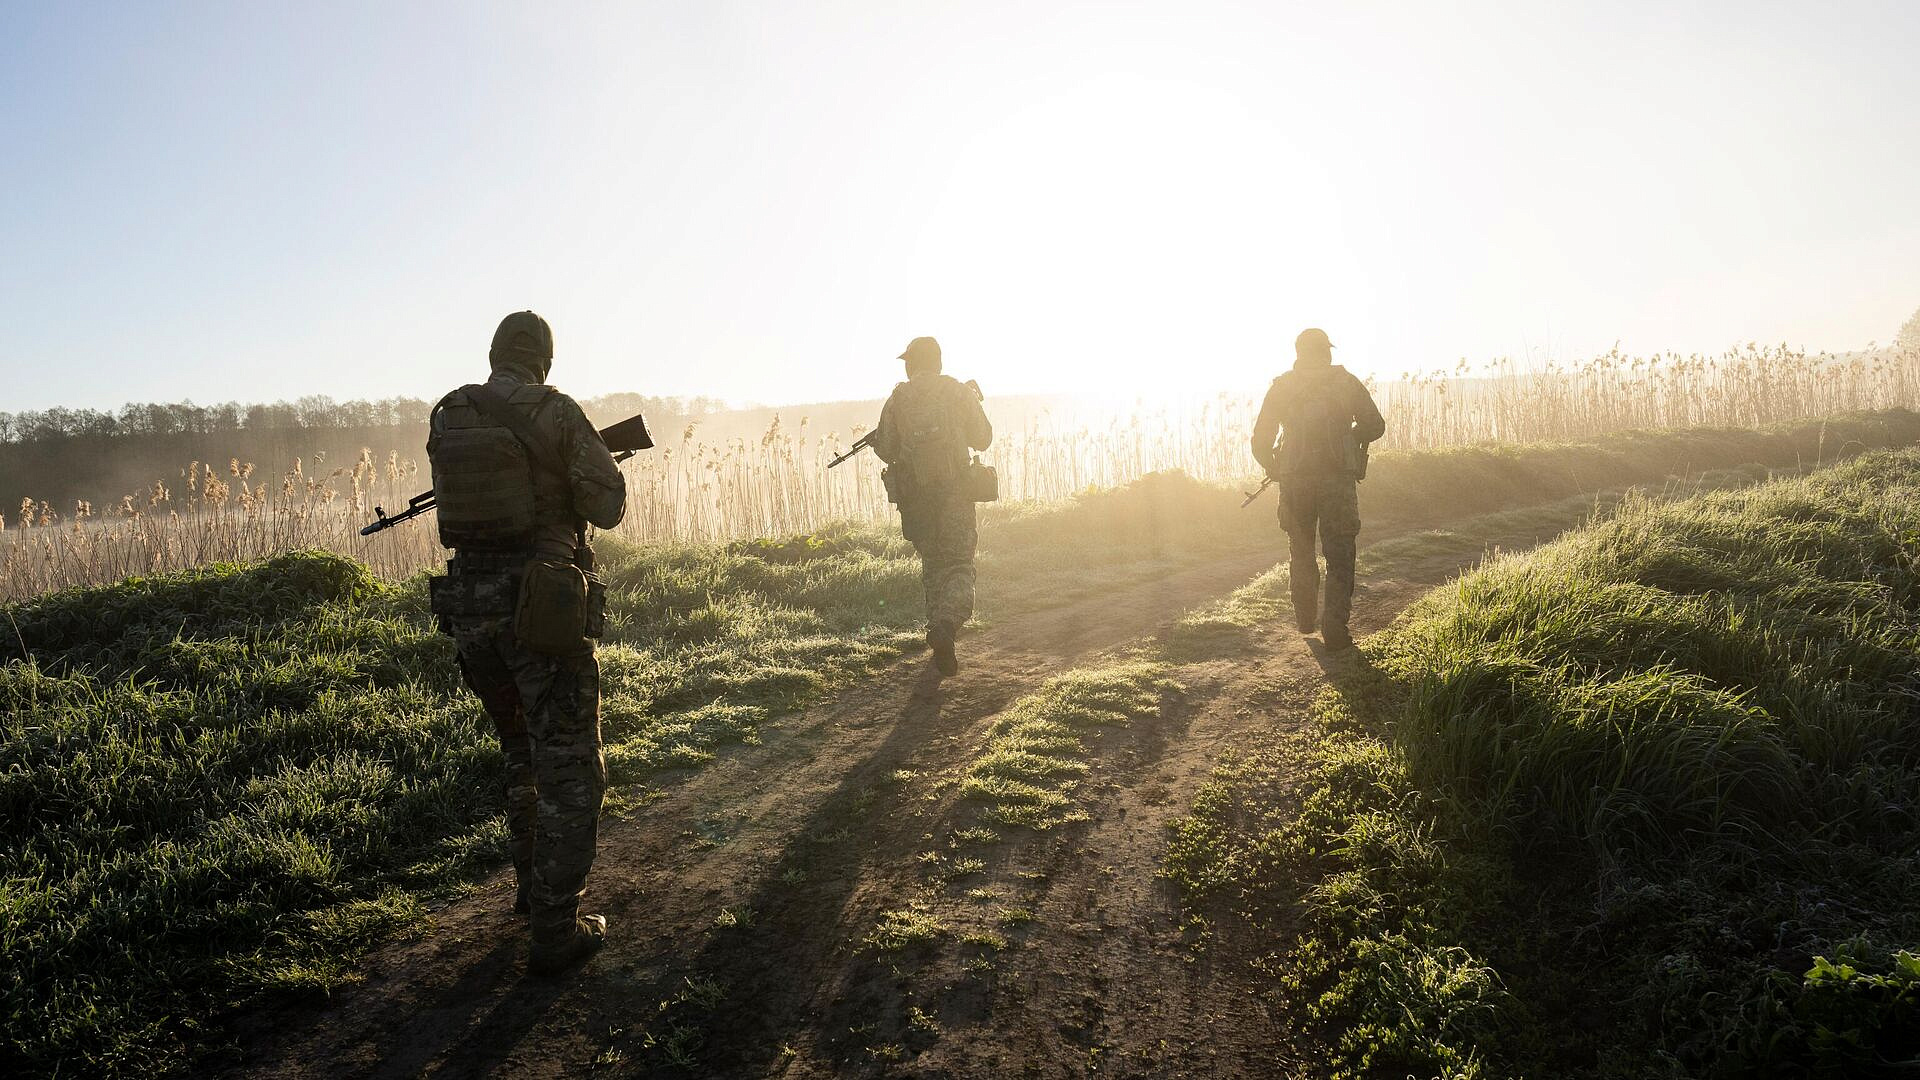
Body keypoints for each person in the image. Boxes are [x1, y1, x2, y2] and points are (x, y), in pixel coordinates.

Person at [425, 310, 627, 976]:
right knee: (573, 772)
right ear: (544, 359)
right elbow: (608, 505)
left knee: (521, 753)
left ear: (492, 354)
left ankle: (529, 892)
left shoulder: (449, 413)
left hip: (470, 616)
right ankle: (555, 931)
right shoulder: (557, 411)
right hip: (542, 616)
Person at [1250, 327, 1386, 651]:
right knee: (1339, 555)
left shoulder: (1282, 387)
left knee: (1300, 551)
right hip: (1337, 482)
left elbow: (1260, 441)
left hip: (1295, 483)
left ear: (1298, 353)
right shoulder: (1346, 382)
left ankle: (1305, 618)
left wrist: (1275, 467)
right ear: (1326, 351)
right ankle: (1335, 630)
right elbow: (1376, 425)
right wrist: (1351, 438)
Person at [871, 336, 993, 676]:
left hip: (916, 499)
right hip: (955, 495)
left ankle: (936, 629)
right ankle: (946, 626)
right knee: (959, 564)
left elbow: (886, 448)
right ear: (938, 361)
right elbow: (982, 437)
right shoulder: (957, 391)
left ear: (912, 363)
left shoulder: (898, 398)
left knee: (933, 566)